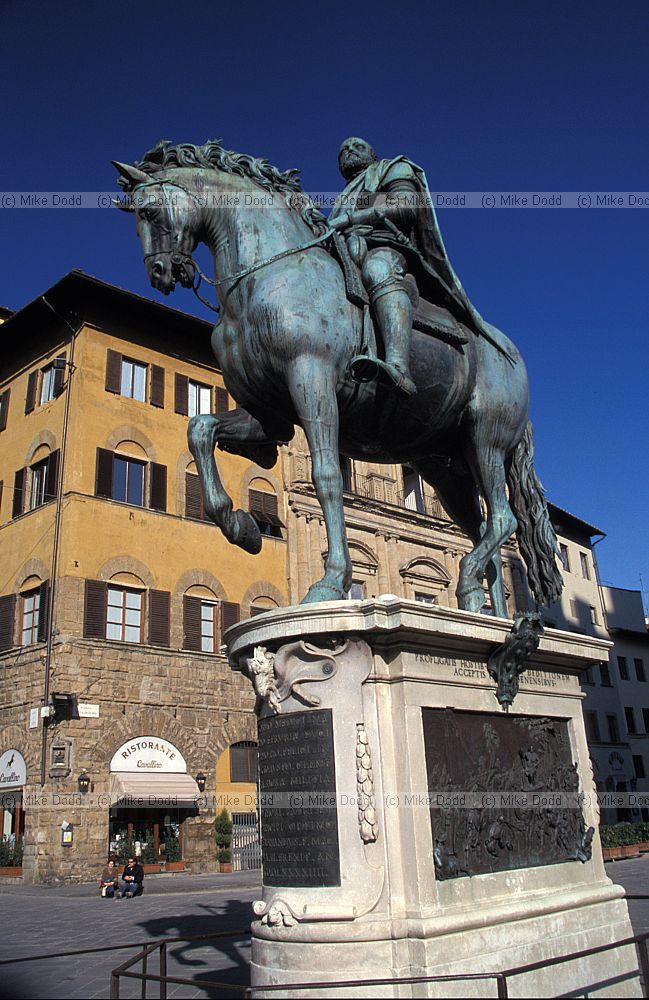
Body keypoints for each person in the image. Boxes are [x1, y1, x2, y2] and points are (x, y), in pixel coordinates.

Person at [328, 137, 511, 395]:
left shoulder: (393, 167)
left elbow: (406, 206)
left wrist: (350, 218)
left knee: (377, 271)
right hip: (347, 248)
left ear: (373, 153)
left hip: (386, 247)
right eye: (343, 151)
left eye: (357, 147)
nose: (349, 151)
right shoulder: (343, 195)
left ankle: (398, 367)